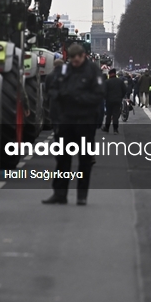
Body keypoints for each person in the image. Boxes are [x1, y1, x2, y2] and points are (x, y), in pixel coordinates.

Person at [43, 43, 104, 206]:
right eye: (72, 59)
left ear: (83, 56)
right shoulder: (64, 70)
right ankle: (59, 193)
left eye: (77, 59)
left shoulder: (93, 71)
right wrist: (59, 96)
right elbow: (53, 89)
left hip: (85, 121)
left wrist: (78, 98)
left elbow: (98, 96)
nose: (74, 62)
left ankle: (81, 195)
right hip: (66, 120)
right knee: (62, 159)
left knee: (84, 160)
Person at [103, 69, 124, 134]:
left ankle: (107, 128)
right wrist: (121, 97)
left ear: (110, 74)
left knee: (108, 115)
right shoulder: (120, 81)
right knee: (115, 115)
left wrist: (105, 98)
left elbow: (104, 91)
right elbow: (124, 90)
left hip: (109, 100)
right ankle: (115, 129)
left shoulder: (107, 82)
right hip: (117, 100)